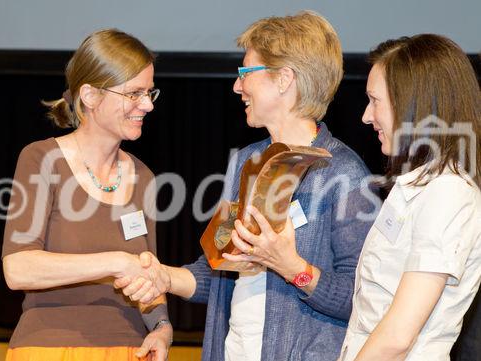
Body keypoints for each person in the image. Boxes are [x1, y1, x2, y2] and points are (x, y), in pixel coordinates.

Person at [117, 11, 377, 361]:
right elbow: (220, 271)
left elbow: (360, 299)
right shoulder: (248, 162)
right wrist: (163, 277)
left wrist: (292, 267)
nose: (237, 86)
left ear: (284, 79)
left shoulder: (344, 173)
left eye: (245, 73)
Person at [2, 29, 172, 361]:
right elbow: (18, 269)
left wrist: (162, 328)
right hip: (51, 347)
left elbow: (147, 278)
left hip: (131, 349)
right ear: (91, 95)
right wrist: (116, 261)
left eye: (150, 92)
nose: (148, 105)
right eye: (134, 93)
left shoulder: (143, 177)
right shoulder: (42, 159)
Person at [339, 34, 481, 361]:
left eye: (375, 100)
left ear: (413, 102)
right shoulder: (420, 187)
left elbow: (398, 336)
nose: (365, 116)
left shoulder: (448, 192)